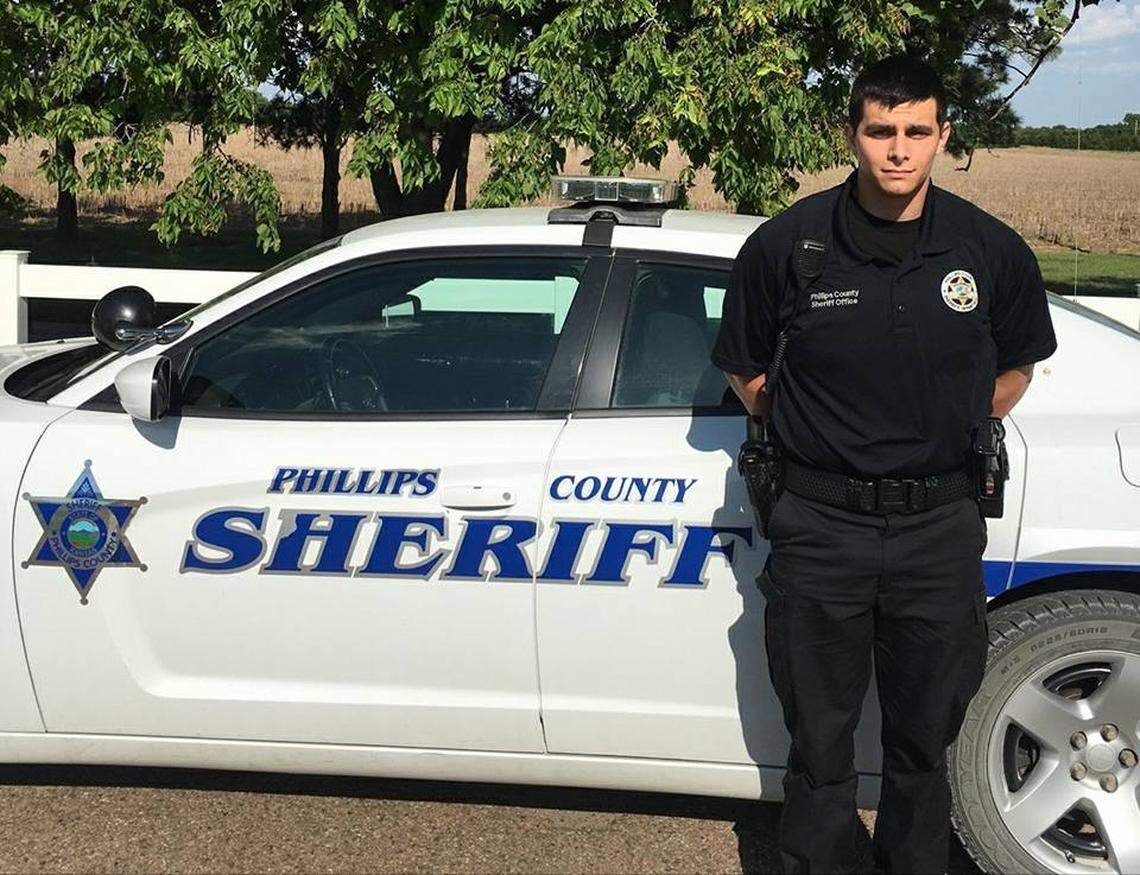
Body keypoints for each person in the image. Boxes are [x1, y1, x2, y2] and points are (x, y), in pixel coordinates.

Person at [711, 54, 1058, 874]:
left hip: (939, 528)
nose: (896, 150)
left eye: (914, 131)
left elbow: (1015, 368)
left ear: (942, 135)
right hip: (820, 524)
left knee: (921, 744)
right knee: (821, 745)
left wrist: (943, 426)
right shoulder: (787, 245)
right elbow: (745, 368)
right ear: (852, 136)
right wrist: (815, 430)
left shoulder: (989, 249)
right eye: (879, 131)